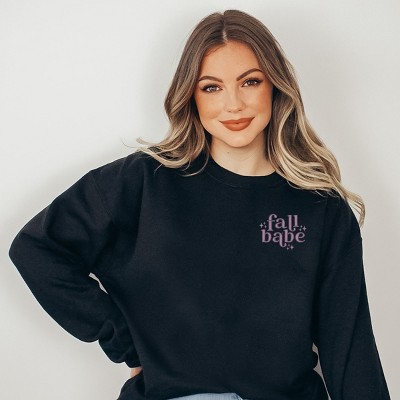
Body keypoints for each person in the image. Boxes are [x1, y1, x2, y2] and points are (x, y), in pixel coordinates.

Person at [8, 9, 391, 400]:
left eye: (250, 82)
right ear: (190, 95)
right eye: (211, 87)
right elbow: (36, 249)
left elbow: (350, 349)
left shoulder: (321, 209)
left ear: (275, 86)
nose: (233, 104)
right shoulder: (142, 182)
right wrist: (126, 342)